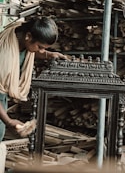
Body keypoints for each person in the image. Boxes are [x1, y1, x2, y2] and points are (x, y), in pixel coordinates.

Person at [0, 16, 67, 173]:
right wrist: (9, 121)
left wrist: (49, 55)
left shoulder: (21, 38)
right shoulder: (3, 52)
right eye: (41, 47)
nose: (42, 50)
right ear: (28, 36)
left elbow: (28, 51)